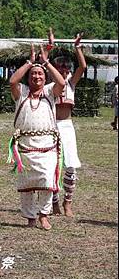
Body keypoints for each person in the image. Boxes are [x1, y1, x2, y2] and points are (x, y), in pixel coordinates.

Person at [7, 44, 65, 230]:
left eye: (40, 74)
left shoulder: (49, 92)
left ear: (45, 77)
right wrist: (30, 62)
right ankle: (30, 217)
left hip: (47, 145)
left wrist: (45, 63)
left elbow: (62, 83)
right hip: (25, 146)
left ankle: (44, 215)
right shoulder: (22, 92)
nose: (36, 76)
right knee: (27, 184)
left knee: (47, 181)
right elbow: (12, 82)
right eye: (33, 74)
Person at [50, 32, 87, 218]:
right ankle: (54, 203)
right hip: (51, 127)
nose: (64, 72)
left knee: (70, 165)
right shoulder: (50, 86)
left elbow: (83, 66)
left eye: (66, 69)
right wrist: (50, 46)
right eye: (60, 69)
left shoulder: (71, 84)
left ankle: (68, 203)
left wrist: (77, 47)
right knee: (53, 166)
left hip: (67, 126)